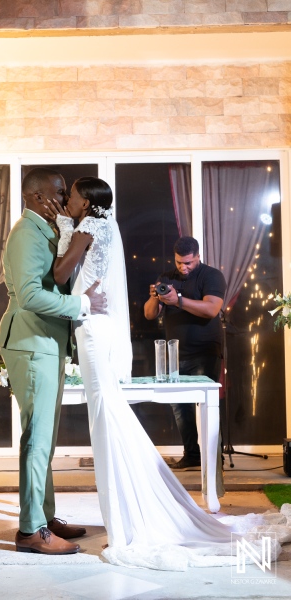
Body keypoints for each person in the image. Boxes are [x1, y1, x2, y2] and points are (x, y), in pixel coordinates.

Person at [45, 177, 287, 571]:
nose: (64, 201)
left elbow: (58, 275)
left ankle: (129, 519)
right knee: (107, 414)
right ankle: (126, 511)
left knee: (104, 415)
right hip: (96, 324)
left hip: (95, 327)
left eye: (70, 196)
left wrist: (65, 232)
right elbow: (137, 305)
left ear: (86, 202)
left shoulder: (89, 226)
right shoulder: (104, 225)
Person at [0, 167, 107, 556]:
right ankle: (30, 531)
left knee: (45, 437)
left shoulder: (46, 231)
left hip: (45, 342)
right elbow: (28, 295)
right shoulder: (26, 234)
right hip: (29, 342)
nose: (63, 201)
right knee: (37, 439)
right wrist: (81, 304)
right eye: (59, 193)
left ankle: (44, 515)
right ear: (36, 197)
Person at [144, 236, 226, 470]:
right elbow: (150, 315)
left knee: (209, 406)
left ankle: (214, 458)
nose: (183, 267)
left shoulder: (211, 276)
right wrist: (155, 296)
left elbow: (211, 309)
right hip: (175, 353)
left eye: (188, 262)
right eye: (179, 262)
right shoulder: (167, 278)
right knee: (180, 407)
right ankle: (192, 455)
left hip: (205, 351)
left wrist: (178, 300)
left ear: (198, 256)